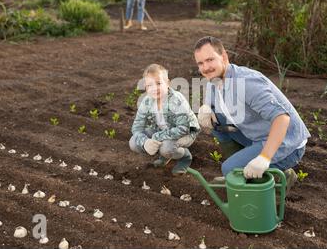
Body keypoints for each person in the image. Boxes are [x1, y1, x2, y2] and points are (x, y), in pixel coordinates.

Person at [193, 36, 311, 193]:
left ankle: (271, 175)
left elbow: (282, 118)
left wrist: (264, 158)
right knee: (215, 120)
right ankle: (242, 170)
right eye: (200, 63)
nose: (205, 67)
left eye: (210, 60)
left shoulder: (246, 82)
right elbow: (211, 102)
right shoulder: (214, 80)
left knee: (229, 168)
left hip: (287, 143)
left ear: (224, 57)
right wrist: (205, 107)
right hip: (258, 135)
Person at [129, 64, 201, 175]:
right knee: (134, 142)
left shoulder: (176, 100)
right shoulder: (147, 101)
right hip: (164, 130)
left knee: (166, 148)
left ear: (167, 83)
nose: (154, 88)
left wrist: (157, 137)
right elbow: (136, 127)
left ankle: (185, 157)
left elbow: (184, 128)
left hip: (187, 132)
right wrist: (145, 142)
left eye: (158, 83)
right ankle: (165, 156)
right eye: (149, 85)